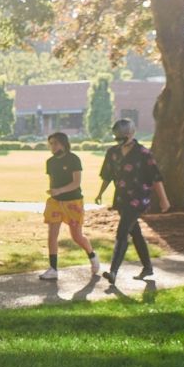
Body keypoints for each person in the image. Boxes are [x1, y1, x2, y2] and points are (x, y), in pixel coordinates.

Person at [96, 119, 169, 283]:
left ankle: (113, 271)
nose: (118, 139)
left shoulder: (143, 153)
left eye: (121, 136)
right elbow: (107, 176)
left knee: (122, 232)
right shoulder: (112, 152)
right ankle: (148, 267)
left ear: (130, 134)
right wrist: (100, 193)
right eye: (116, 136)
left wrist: (164, 200)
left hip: (138, 199)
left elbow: (156, 178)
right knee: (135, 232)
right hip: (121, 198)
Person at [39, 132, 101, 280]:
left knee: (77, 236)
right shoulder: (50, 162)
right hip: (55, 202)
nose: (52, 147)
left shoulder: (73, 159)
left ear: (63, 143)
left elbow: (76, 183)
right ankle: (53, 269)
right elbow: (53, 182)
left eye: (55, 143)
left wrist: (60, 190)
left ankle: (92, 255)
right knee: (52, 235)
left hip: (73, 202)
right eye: (50, 144)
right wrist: (54, 193)